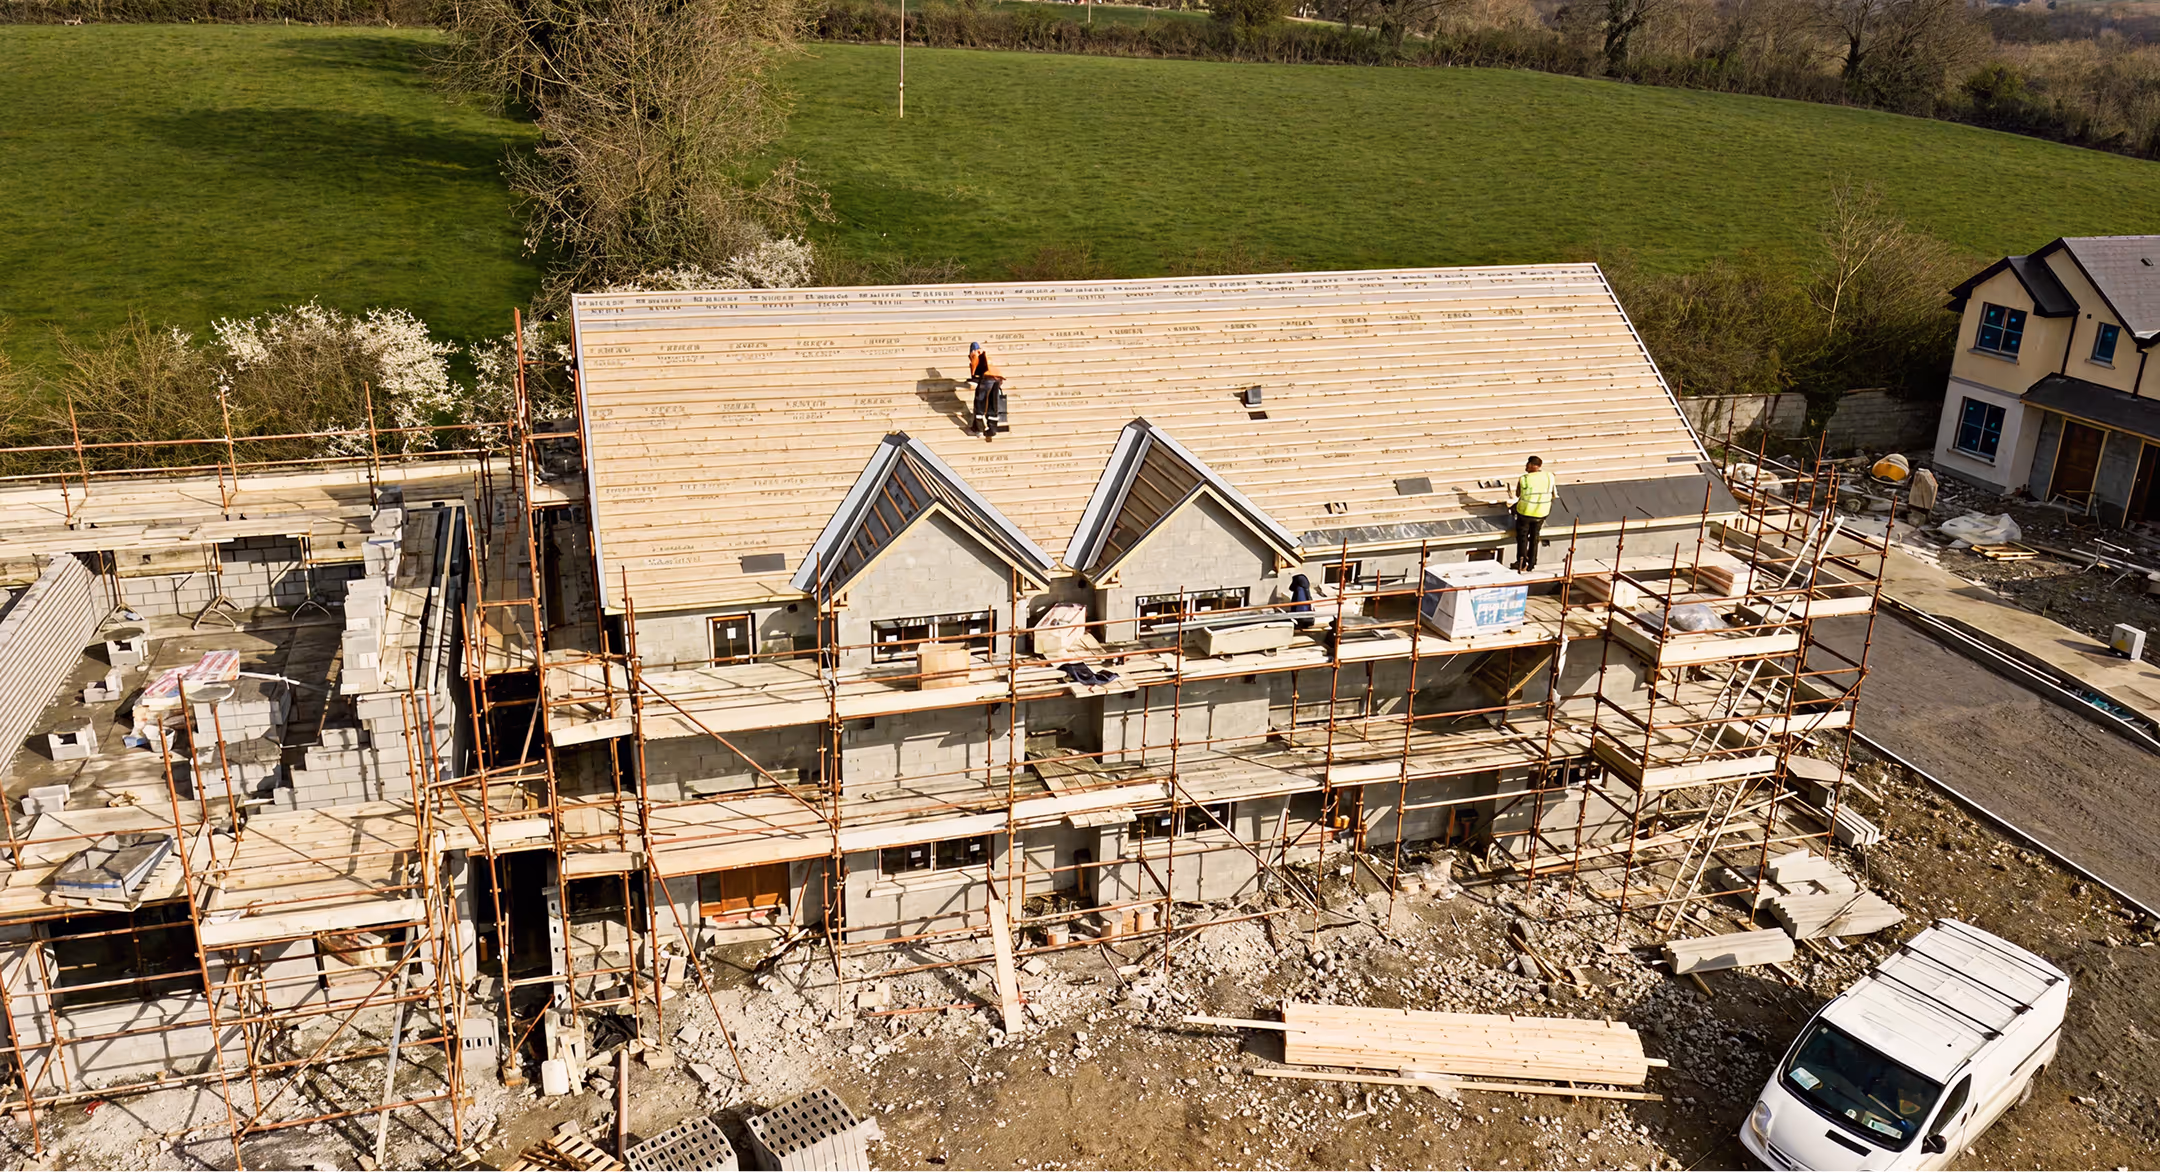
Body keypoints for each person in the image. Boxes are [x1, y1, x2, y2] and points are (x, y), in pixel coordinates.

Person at [1509, 456, 1558, 572]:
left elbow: (1517, 494)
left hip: (1526, 512)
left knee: (1522, 537)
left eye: (1527, 464)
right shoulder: (1549, 476)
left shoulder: (1524, 479)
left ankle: (1521, 562)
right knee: (1535, 537)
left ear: (1532, 465)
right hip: (1542, 512)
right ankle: (1532, 563)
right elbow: (1554, 494)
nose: (1526, 466)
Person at [964, 342, 1006, 437]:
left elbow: (975, 366)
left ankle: (978, 430)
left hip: (987, 379)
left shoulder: (975, 353)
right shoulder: (986, 355)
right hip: (997, 379)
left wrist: (973, 376)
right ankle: (992, 429)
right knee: (992, 404)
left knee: (979, 403)